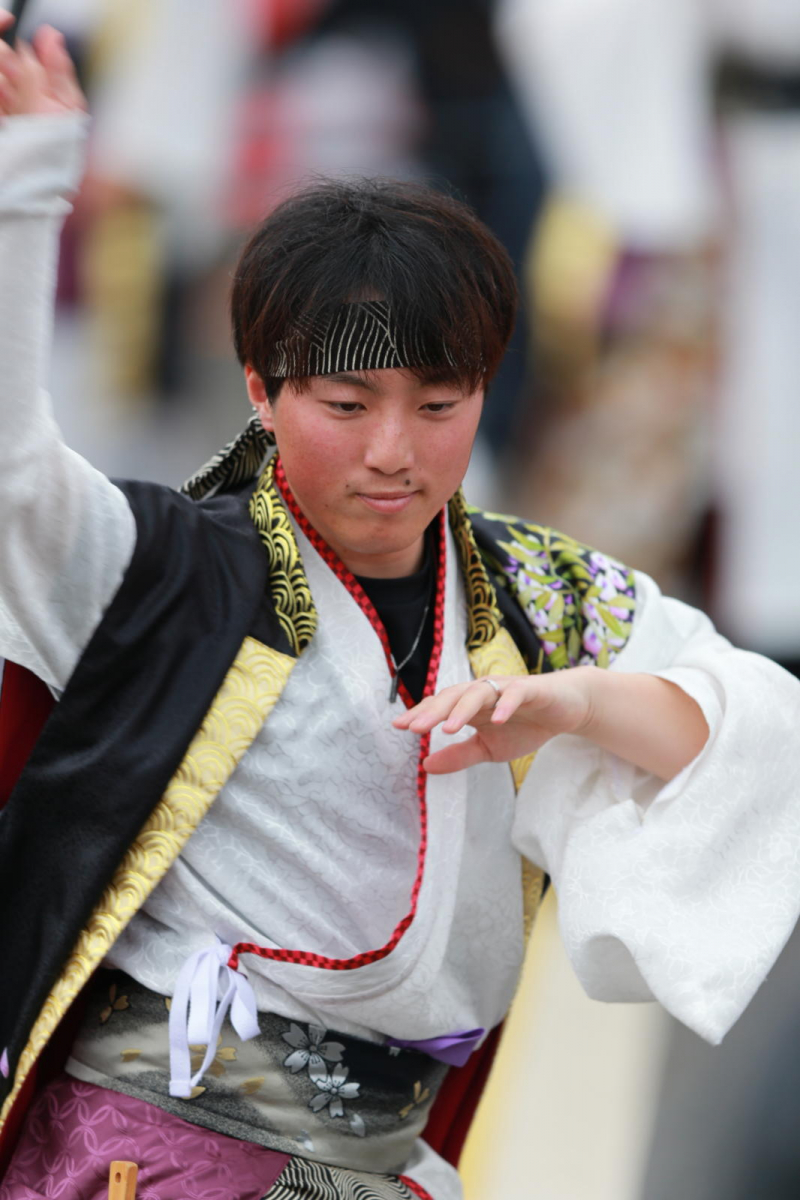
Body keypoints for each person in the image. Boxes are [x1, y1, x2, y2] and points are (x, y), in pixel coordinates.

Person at [0, 17, 798, 1200]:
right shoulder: (153, 565)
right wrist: (27, 187)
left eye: (440, 403)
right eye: (344, 401)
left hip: (389, 1166)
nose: (393, 453)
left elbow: (745, 724)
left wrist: (572, 703)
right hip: (150, 1157)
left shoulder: (531, 593)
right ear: (259, 388)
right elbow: (13, 470)